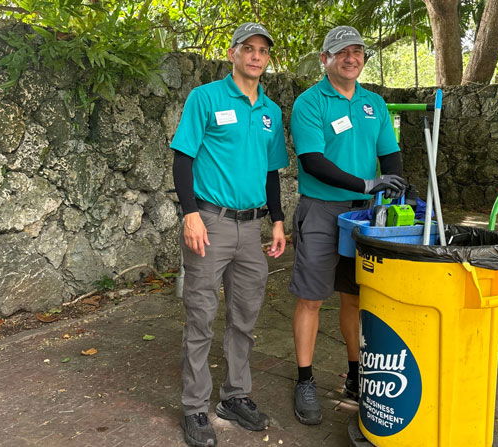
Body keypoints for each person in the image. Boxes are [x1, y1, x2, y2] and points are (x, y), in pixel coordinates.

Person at [170, 22, 289, 447]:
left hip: (251, 226)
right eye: (249, 48)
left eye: (263, 50)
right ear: (233, 53)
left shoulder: (270, 111)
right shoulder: (206, 97)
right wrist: (190, 214)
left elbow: (272, 171)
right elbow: (183, 159)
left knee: (245, 318)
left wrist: (276, 220)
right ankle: (194, 407)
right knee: (200, 316)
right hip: (211, 222)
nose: (256, 56)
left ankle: (235, 397)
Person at [289, 25, 407, 425]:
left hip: (365, 215)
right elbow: (312, 160)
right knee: (311, 296)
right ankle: (304, 379)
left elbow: (389, 153)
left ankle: (356, 376)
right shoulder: (310, 102)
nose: (351, 58)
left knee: (355, 297)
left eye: (357, 51)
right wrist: (366, 183)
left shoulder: (375, 103)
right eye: (342, 52)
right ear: (326, 59)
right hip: (322, 209)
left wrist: (391, 185)